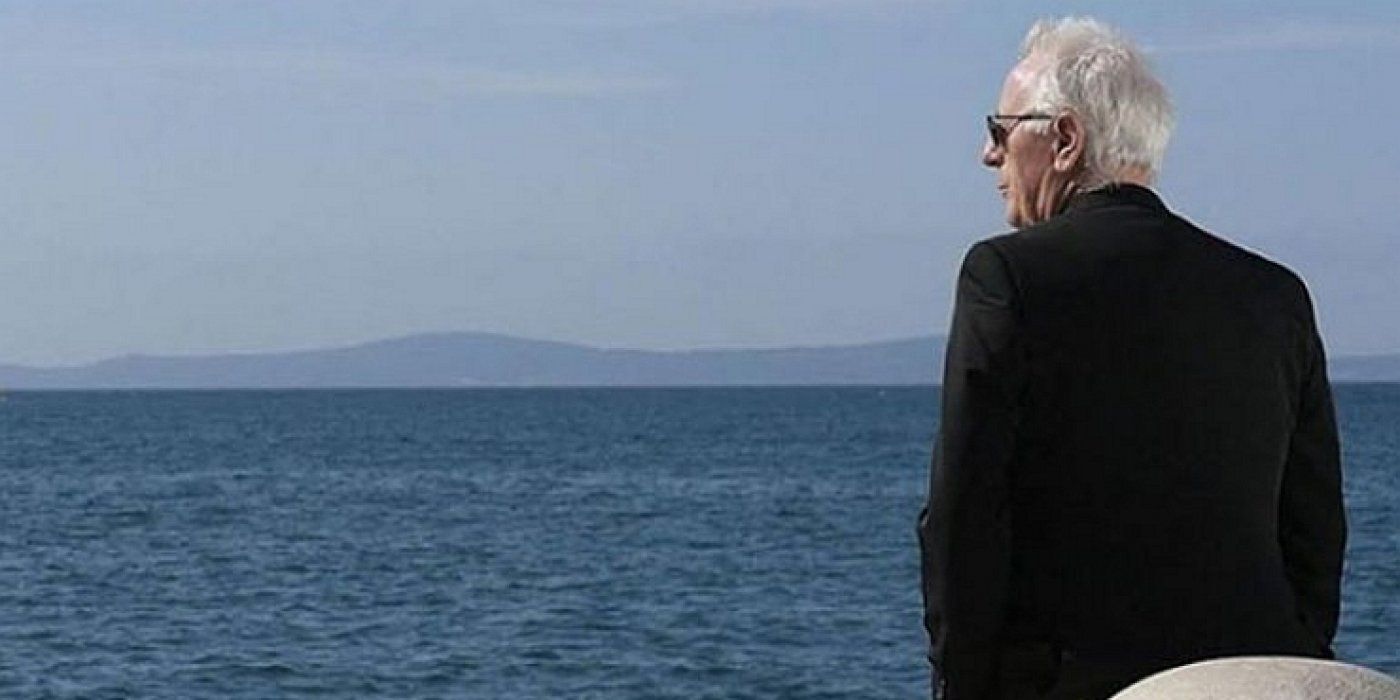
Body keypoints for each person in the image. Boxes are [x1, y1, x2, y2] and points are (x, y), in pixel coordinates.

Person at [917, 17, 1346, 700]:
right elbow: (1315, 531)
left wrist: (964, 686)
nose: (988, 155)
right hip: (1258, 667)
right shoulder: (1275, 295)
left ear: (1064, 139)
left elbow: (964, 518)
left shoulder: (1007, 277)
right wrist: (1294, 660)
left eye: (1000, 130)